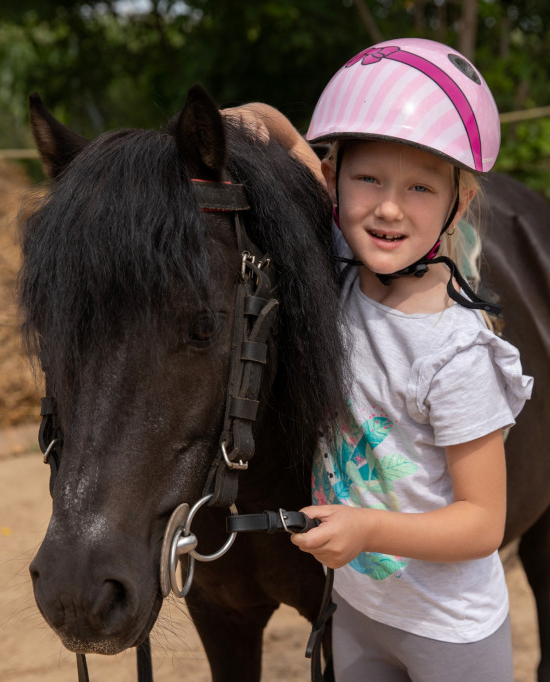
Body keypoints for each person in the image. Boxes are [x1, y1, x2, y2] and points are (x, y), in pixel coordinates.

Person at [226, 38, 534, 681]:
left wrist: (368, 529)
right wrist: (259, 117)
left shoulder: (456, 356)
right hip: (361, 608)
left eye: (421, 186)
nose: (390, 207)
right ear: (334, 181)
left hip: (448, 630)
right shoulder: (343, 265)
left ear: (459, 203)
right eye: (368, 178)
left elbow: (483, 523)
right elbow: (293, 150)